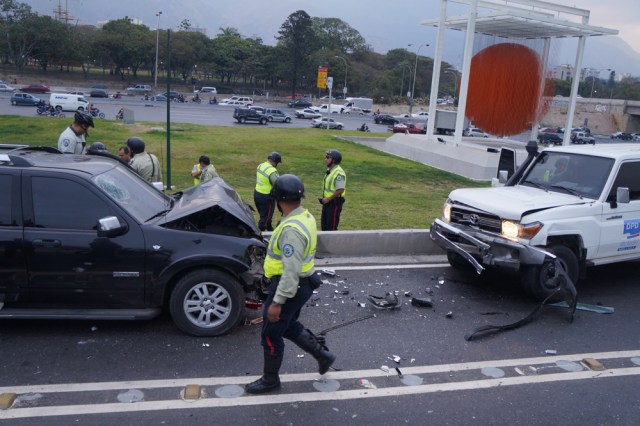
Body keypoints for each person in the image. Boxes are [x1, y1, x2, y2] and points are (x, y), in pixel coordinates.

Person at [245, 174, 336, 395]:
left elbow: (291, 271)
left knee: (270, 332)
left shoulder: (291, 230)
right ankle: (323, 355)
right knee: (286, 325)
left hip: (290, 287)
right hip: (302, 284)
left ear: (277, 199)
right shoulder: (304, 216)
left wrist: (277, 302)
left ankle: (270, 380)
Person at [254, 152, 282, 232]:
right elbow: (277, 184)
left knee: (264, 215)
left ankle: (269, 227)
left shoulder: (260, 166)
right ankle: (261, 233)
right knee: (264, 219)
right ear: (275, 161)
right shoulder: (271, 171)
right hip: (267, 197)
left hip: (257, 194)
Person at [320, 149, 347, 231]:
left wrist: (328, 199)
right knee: (324, 226)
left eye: (328, 157)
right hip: (327, 203)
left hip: (334, 203)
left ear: (334, 160)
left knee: (331, 228)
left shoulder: (338, 173)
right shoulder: (330, 171)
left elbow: (340, 189)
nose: (325, 159)